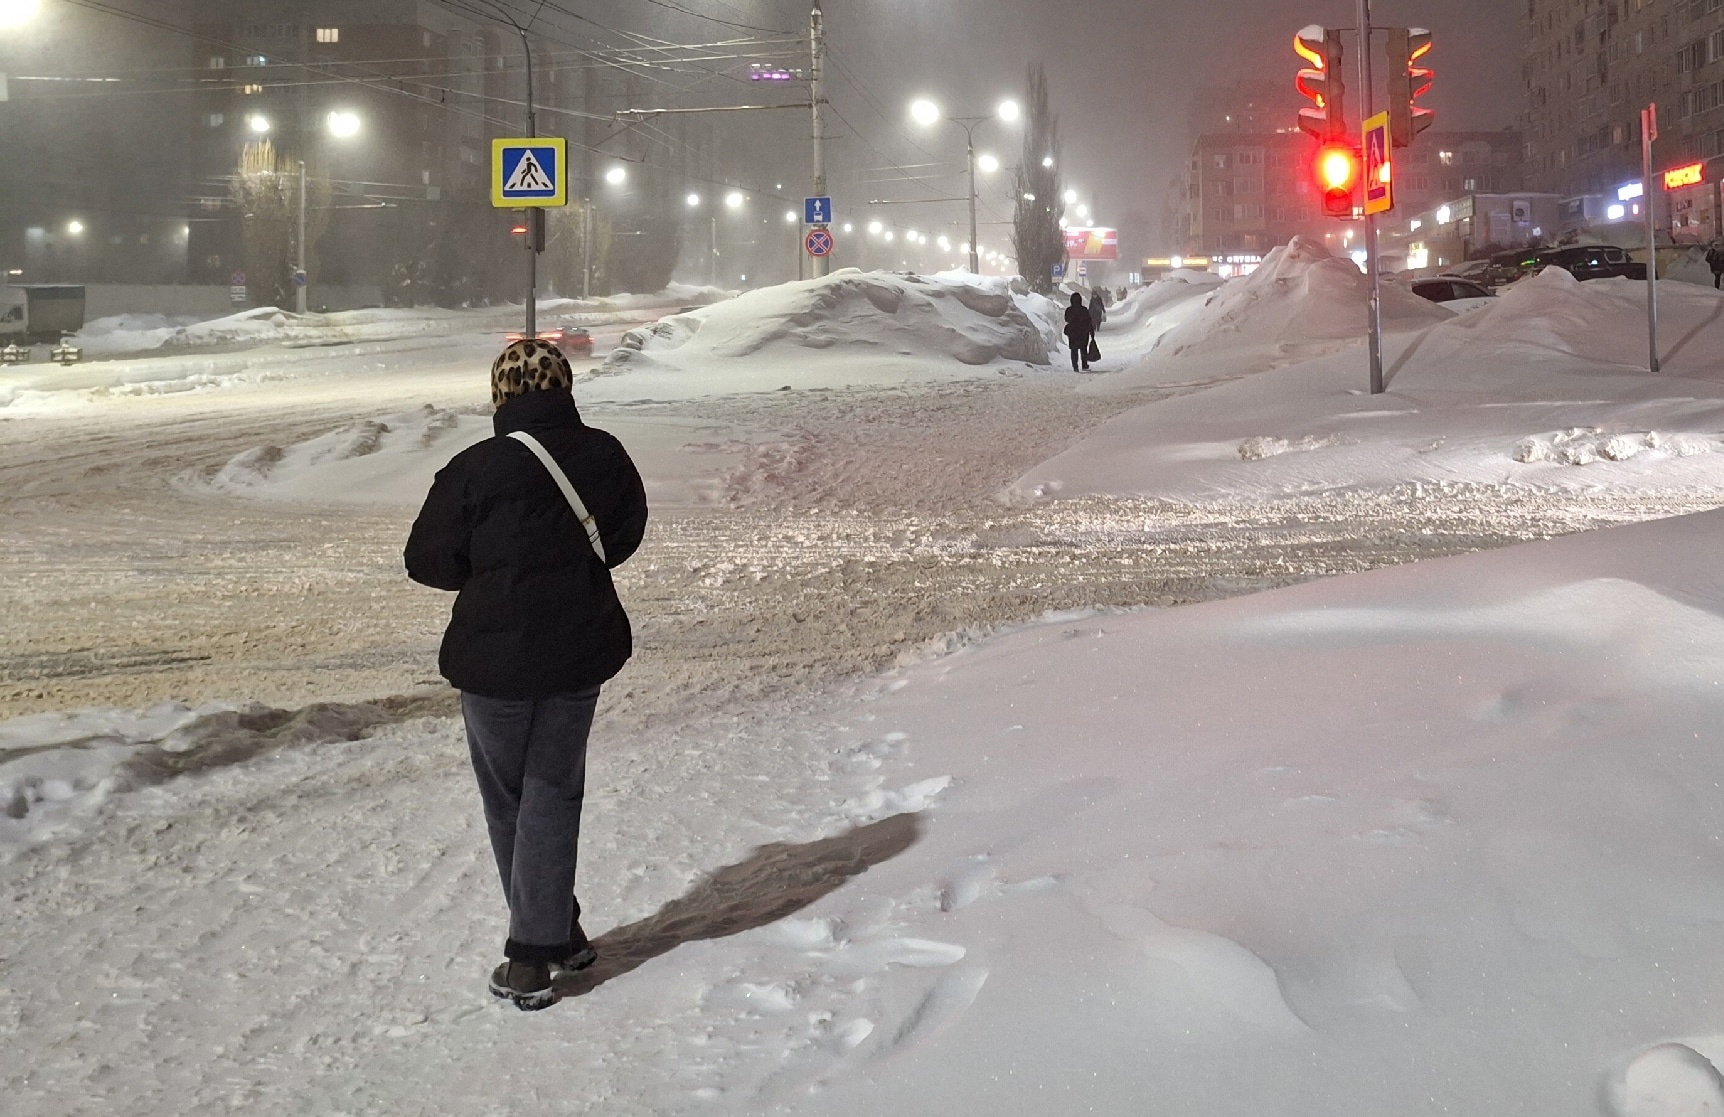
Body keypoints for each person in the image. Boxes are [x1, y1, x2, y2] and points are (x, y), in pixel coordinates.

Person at [405, 338, 649, 1011]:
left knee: (514, 798)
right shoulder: (603, 453)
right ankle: (557, 933)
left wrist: (490, 573)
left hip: (491, 661)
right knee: (552, 790)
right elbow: (623, 539)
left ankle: (529, 958)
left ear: (499, 396)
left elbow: (426, 560)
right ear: (565, 387)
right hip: (579, 651)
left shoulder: (472, 468)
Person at [1064, 291, 1094, 371]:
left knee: (1074, 350)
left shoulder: (1069, 310)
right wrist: (1091, 332)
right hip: (1083, 333)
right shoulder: (1084, 310)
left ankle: (1075, 366)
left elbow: (1066, 319)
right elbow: (1089, 321)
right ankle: (1084, 365)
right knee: (1083, 349)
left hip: (1073, 333)